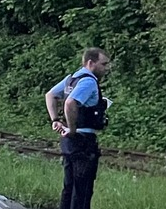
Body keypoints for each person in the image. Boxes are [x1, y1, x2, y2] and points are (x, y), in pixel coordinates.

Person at [45, 47, 112, 209]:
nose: (106, 68)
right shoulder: (88, 81)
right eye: (103, 64)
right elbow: (70, 103)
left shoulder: (72, 78)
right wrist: (73, 129)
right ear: (91, 63)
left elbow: (50, 95)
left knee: (69, 186)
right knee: (82, 191)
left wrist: (55, 119)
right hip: (82, 141)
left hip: (68, 143)